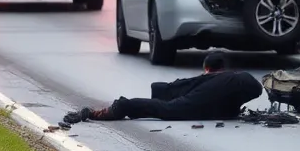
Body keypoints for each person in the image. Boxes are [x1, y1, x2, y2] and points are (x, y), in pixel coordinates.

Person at [61, 52, 262, 124]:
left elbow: (179, 96)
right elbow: (255, 88)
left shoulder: (216, 80)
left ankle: (110, 111)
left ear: (208, 68)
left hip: (192, 106)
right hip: (212, 105)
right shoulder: (234, 82)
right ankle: (110, 111)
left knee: (163, 108)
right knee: (164, 106)